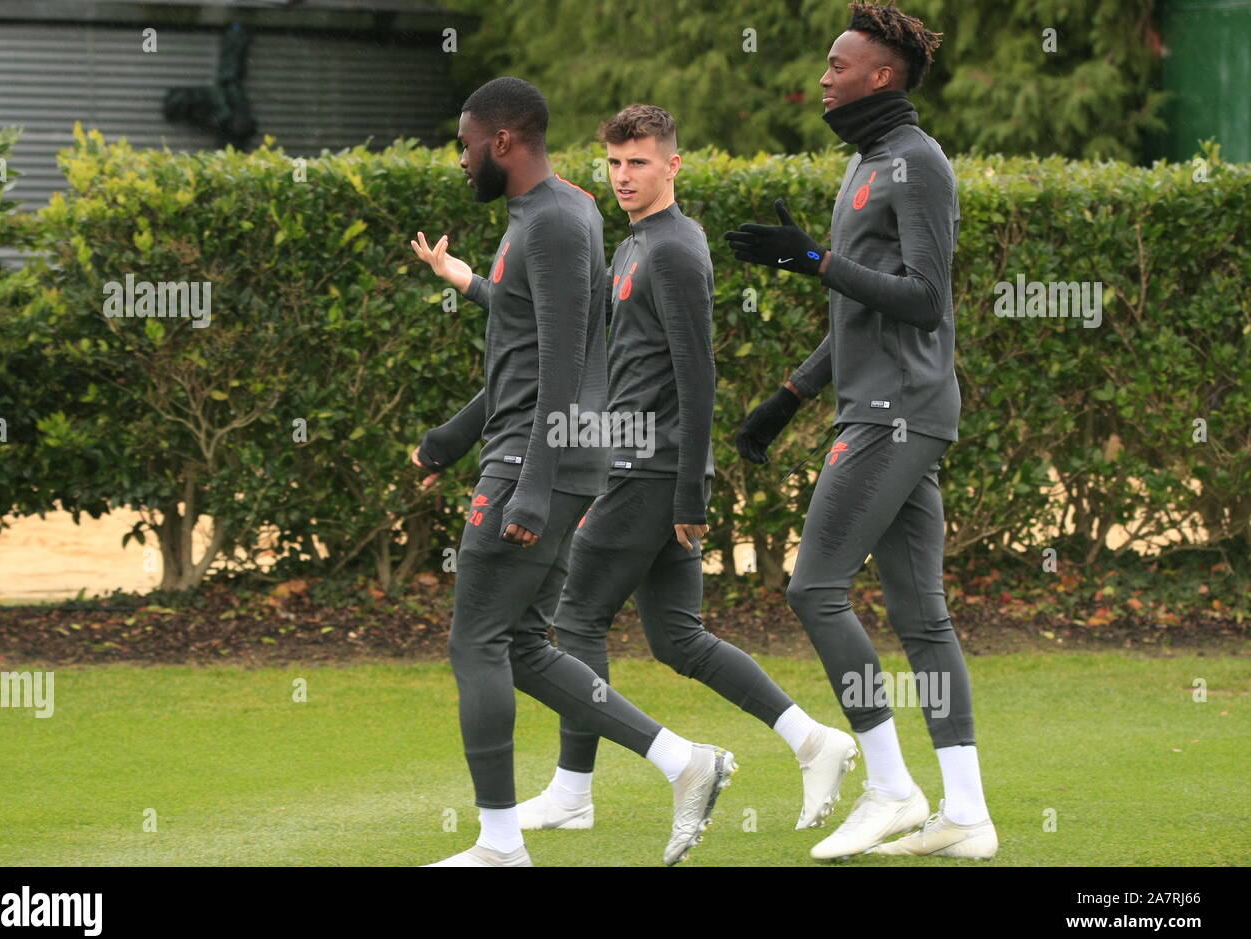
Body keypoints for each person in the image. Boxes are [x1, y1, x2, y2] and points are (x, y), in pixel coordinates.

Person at [409, 77, 734, 867]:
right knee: (520, 644)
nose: (462, 161)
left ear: (505, 142)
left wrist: (531, 483)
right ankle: (682, 761)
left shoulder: (554, 219)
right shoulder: (554, 214)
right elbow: (523, 351)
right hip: (544, 454)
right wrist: (448, 441)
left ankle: (498, 845)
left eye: (465, 144)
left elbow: (562, 363)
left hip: (535, 458)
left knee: (476, 641)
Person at [509, 104, 859, 836]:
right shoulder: (637, 245)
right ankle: (813, 740)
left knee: (575, 619)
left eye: (638, 162)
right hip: (639, 466)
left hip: (651, 470)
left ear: (673, 164)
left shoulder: (672, 249)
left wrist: (691, 490)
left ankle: (573, 794)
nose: (623, 176)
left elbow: (700, 378)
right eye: (613, 162)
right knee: (676, 637)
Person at [726, 1, 997, 860]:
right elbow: (857, 308)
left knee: (815, 590)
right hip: (878, 405)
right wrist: (789, 396)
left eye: (839, 65)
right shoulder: (865, 165)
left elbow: (923, 300)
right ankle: (967, 816)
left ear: (881, 76)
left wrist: (812, 259)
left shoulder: (916, 164)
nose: (824, 76)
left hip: (897, 411)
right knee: (923, 620)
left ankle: (888, 785)